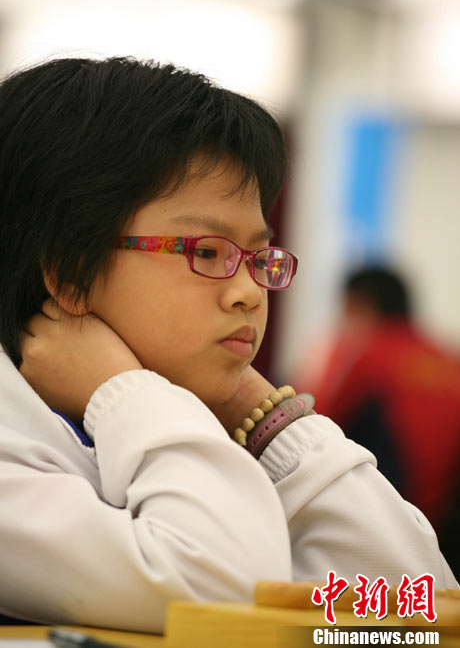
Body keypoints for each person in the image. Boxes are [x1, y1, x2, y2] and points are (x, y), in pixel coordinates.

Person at [0, 58, 456, 633]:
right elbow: (223, 590)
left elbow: (417, 600)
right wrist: (122, 391)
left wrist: (265, 419)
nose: (250, 293)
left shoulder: (186, 422)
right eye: (207, 252)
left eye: (258, 257)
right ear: (69, 272)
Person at [293, 266, 460, 578]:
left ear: (362, 304)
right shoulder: (447, 356)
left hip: (391, 517)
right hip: (444, 532)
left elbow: (315, 423)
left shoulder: (367, 354)